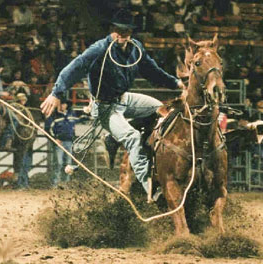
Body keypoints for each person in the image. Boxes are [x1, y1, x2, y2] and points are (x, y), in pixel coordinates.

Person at [40, 9, 185, 201]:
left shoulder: (136, 49)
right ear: (112, 30)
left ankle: (117, 138)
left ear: (131, 32)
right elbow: (74, 67)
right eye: (118, 30)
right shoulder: (99, 49)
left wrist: (176, 83)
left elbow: (152, 71)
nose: (122, 35)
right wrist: (56, 92)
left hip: (124, 99)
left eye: (126, 31)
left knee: (160, 109)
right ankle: (150, 188)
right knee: (132, 138)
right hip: (105, 106)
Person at [45, 98, 81, 187]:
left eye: (64, 104)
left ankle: (66, 183)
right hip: (59, 142)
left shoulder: (71, 114)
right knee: (59, 163)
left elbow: (79, 120)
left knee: (68, 163)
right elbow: (48, 129)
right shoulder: (54, 116)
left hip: (69, 141)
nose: (62, 106)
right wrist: (54, 138)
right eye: (61, 104)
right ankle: (55, 183)